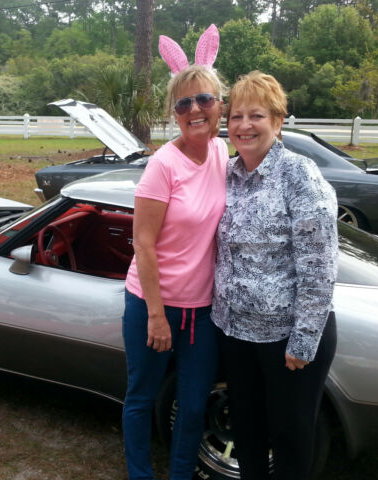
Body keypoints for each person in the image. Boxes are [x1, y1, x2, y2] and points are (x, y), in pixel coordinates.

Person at [212, 71, 338, 480]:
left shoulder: (300, 175)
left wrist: (303, 340)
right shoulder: (227, 174)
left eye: (256, 116)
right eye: (235, 117)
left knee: (290, 436)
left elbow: (319, 266)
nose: (244, 126)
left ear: (279, 121)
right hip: (235, 332)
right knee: (246, 429)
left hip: (287, 337)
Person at [122, 25, 229, 480]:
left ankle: (182, 474)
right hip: (152, 304)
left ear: (220, 104)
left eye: (204, 99)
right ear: (174, 114)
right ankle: (140, 474)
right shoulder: (163, 164)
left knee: (191, 402)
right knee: (142, 395)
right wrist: (156, 314)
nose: (195, 109)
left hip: (201, 311)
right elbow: (142, 244)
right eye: (184, 103)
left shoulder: (226, 153)